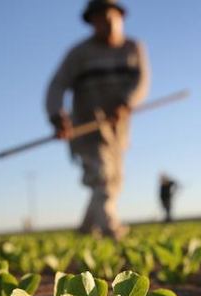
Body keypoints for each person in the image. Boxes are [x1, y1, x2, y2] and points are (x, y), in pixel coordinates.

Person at [46, 0, 150, 240]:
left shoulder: (133, 48)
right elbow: (57, 86)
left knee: (113, 181)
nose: (107, 23)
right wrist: (56, 115)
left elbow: (141, 82)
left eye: (111, 17)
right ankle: (110, 229)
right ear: (92, 22)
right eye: (100, 18)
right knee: (101, 176)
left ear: (121, 17)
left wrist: (126, 103)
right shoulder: (79, 54)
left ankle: (85, 229)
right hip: (86, 128)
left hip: (118, 130)